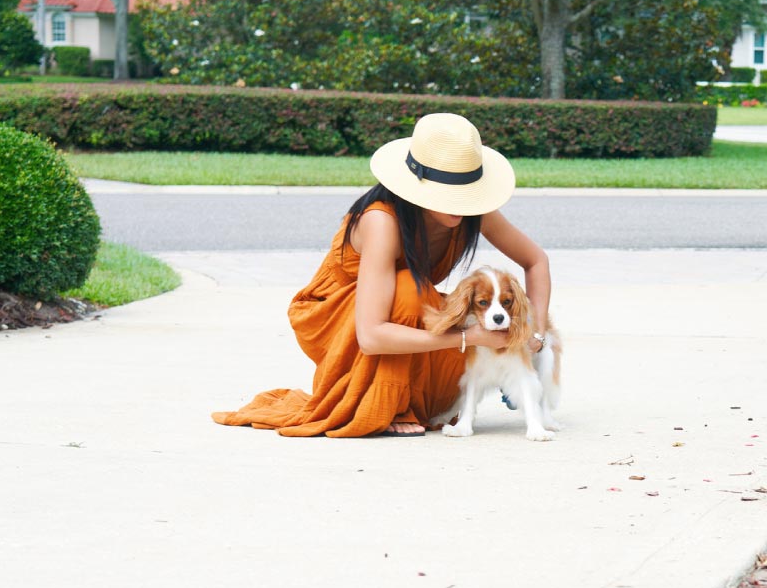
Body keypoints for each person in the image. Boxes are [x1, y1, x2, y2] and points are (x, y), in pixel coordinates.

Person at [212, 113, 552, 437]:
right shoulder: (381, 221)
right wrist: (469, 339)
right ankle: (390, 403)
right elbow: (372, 336)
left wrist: (532, 336)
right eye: (446, 193)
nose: (457, 204)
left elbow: (536, 261)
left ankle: (422, 398)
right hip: (345, 321)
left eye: (464, 193)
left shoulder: (471, 210)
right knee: (410, 289)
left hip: (407, 317)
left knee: (457, 315)